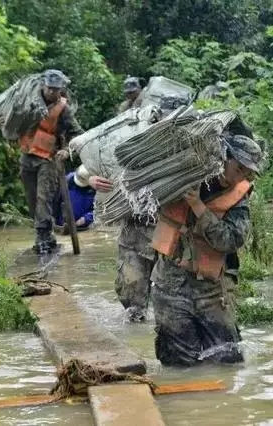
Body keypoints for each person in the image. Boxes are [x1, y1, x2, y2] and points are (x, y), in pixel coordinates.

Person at [150, 134, 264, 366]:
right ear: (224, 157)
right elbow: (142, 197)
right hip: (170, 286)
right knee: (177, 363)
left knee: (228, 360)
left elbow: (230, 240)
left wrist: (199, 208)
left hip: (211, 290)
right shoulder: (182, 178)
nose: (239, 176)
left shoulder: (238, 201)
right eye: (238, 168)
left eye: (246, 172)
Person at [18, 69, 83, 254]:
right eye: (49, 89)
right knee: (31, 199)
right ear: (43, 86)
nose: (52, 93)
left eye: (56, 90)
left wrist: (67, 151)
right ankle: (45, 232)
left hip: (48, 158)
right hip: (27, 155)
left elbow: (78, 134)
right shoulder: (27, 101)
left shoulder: (63, 109)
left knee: (43, 197)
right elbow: (13, 123)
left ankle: (43, 236)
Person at [113, 76, 154, 322]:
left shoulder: (152, 109)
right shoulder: (123, 117)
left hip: (163, 229)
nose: (130, 95)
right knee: (131, 293)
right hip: (133, 227)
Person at [54, 165, 113, 232]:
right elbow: (54, 202)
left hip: (82, 228)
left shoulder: (96, 190)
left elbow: (99, 211)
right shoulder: (66, 181)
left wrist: (85, 219)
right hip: (61, 224)